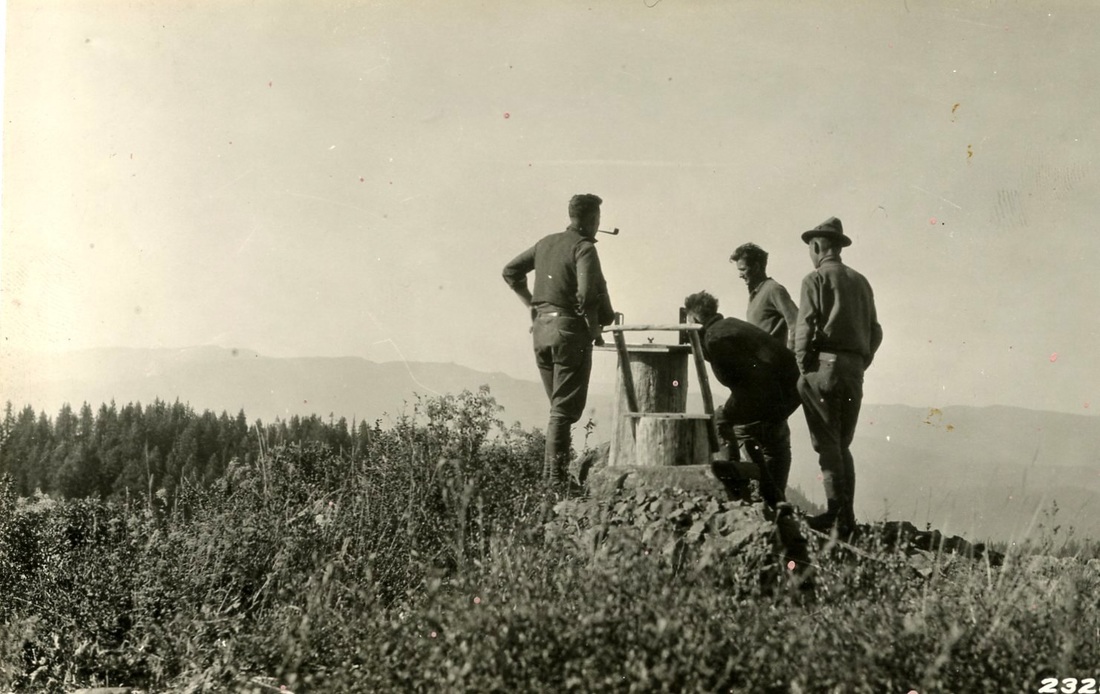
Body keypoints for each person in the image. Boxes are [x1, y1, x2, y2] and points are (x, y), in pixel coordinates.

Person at [502, 194, 615, 494]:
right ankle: (554, 481)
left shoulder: (545, 243)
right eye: (598, 218)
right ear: (592, 219)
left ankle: (550, 478)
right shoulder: (584, 248)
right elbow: (587, 294)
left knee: (558, 408)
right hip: (569, 333)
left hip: (541, 332)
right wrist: (595, 329)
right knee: (563, 412)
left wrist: (533, 306)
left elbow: (510, 272)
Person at [794, 217, 883, 536]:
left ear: (817, 246)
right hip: (854, 370)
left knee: (828, 445)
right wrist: (861, 361)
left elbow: (804, 326)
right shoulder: (861, 282)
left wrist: (805, 369)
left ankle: (836, 516)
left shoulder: (814, 280)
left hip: (825, 368)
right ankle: (846, 517)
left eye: (810, 248)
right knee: (843, 445)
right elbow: (876, 331)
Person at [683, 291, 801, 507]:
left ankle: (740, 489)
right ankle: (776, 498)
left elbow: (740, 382)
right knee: (773, 438)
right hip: (792, 390)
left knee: (724, 420)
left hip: (765, 391)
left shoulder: (715, 339)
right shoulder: (731, 324)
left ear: (696, 320)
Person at [730, 243, 799, 351]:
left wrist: (790, 354)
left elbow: (797, 323)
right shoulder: (756, 293)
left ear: (756, 267)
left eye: (743, 269)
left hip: (773, 362)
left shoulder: (773, 289)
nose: (740, 275)